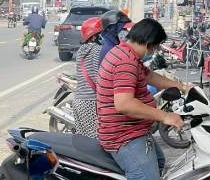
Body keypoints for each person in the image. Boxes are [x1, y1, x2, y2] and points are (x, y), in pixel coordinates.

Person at [96, 18, 188, 180]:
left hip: (133, 130)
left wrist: (183, 87)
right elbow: (125, 104)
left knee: (160, 164)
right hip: (124, 136)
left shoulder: (126, 53)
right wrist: (165, 116)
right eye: (156, 46)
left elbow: (150, 76)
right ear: (148, 43)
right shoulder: (125, 61)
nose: (155, 50)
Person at [73, 17, 103, 138]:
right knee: (95, 141)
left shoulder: (82, 50)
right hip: (91, 101)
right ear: (95, 35)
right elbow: (98, 76)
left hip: (78, 100)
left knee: (84, 140)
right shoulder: (97, 50)